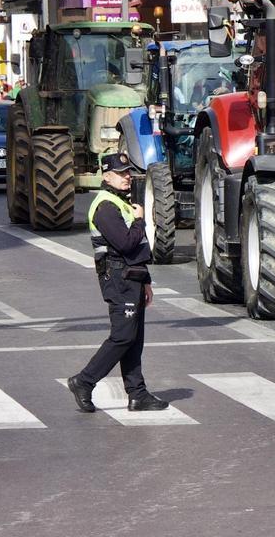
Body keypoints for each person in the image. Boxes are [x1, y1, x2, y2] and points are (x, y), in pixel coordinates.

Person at [67, 152, 168, 413]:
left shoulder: (120, 202)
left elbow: (136, 250)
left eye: (128, 172)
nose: (127, 176)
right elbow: (124, 243)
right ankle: (84, 381)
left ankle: (138, 394)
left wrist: (145, 280)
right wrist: (139, 220)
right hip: (118, 277)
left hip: (131, 277)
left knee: (134, 339)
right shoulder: (105, 206)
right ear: (106, 175)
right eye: (121, 173)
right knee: (123, 336)